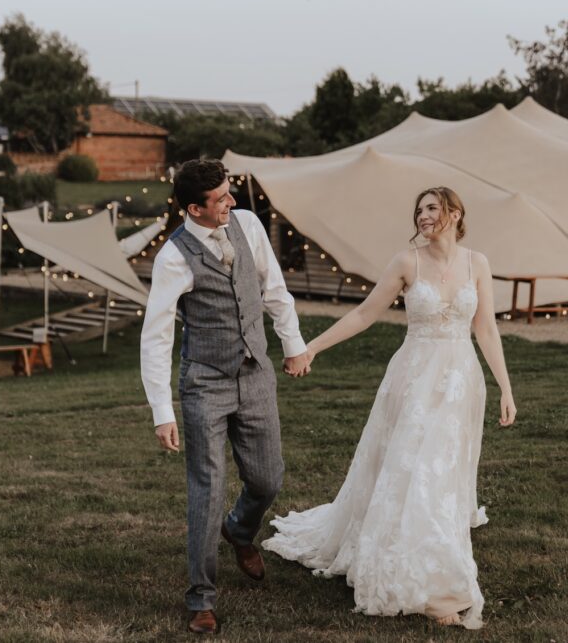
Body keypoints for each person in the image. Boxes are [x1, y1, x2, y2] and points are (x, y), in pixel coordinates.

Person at [262, 186, 517, 629]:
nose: (423, 216)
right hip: (413, 380)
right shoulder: (406, 262)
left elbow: (487, 330)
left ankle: (436, 560)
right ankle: (435, 586)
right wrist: (311, 348)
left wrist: (505, 388)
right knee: (411, 469)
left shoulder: (478, 264)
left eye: (432, 208)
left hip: (459, 383)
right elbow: (363, 315)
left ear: (455, 213)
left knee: (441, 473)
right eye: (419, 210)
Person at [140, 158, 311, 635]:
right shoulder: (173, 257)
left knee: (268, 478)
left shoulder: (248, 225)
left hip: (256, 374)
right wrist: (161, 411)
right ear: (195, 209)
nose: (231, 203)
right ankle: (201, 597)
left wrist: (293, 345)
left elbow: (273, 288)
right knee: (207, 489)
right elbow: (156, 336)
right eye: (221, 199)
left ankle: (239, 530)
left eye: (230, 193)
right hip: (205, 382)